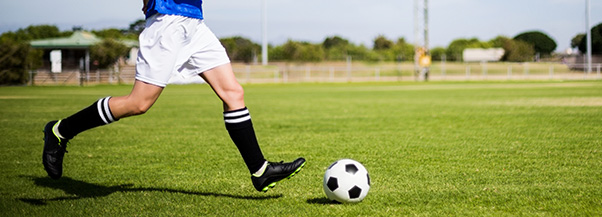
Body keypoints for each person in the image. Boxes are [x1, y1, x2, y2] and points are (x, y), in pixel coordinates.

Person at [42, 0, 305, 193]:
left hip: (195, 22)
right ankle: (60, 130)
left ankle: (260, 171)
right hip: (167, 20)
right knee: (139, 103)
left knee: (233, 92)